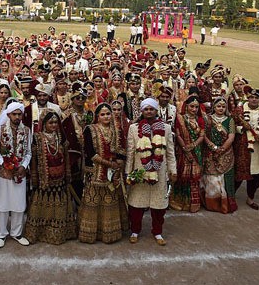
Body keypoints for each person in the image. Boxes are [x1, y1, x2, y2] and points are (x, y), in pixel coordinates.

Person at [124, 97, 176, 245]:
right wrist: (128, 172)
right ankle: (135, 230)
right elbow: (130, 152)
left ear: (156, 110)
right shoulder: (134, 128)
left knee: (159, 206)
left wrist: (173, 171)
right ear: (142, 111)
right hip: (139, 171)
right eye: (146, 109)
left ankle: (157, 232)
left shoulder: (166, 128)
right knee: (136, 204)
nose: (148, 111)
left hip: (160, 171)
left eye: (151, 109)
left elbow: (170, 152)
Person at [78, 103, 129, 244]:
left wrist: (118, 164)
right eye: (103, 114)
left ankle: (109, 232)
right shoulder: (90, 129)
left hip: (113, 172)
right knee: (93, 201)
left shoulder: (117, 130)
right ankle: (91, 232)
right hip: (95, 171)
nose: (106, 116)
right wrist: (109, 164)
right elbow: (90, 153)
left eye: (108, 114)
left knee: (110, 200)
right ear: (97, 117)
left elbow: (122, 150)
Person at [24, 112, 77, 245]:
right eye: (50, 123)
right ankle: (40, 233)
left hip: (60, 178)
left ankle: (60, 234)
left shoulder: (60, 137)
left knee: (59, 203)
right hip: (44, 180)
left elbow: (66, 156)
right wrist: (34, 176)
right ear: (44, 124)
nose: (54, 125)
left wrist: (67, 173)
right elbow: (34, 159)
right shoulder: (37, 137)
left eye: (55, 123)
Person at [0, 102, 32, 248]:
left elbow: (28, 152)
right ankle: (1, 234)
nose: (17, 117)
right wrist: (3, 162)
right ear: (8, 115)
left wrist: (23, 166)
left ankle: (16, 233)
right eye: (14, 114)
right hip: (4, 173)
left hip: (20, 173)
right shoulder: (1, 129)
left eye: (19, 114)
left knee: (19, 204)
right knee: (2, 204)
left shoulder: (27, 130)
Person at [232, 87, 259, 210]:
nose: (254, 100)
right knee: (238, 174)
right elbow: (232, 126)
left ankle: (250, 198)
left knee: (256, 176)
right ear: (248, 98)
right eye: (251, 97)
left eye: (256, 98)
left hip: (257, 148)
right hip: (242, 147)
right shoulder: (239, 110)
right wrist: (242, 129)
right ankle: (231, 197)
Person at [170, 95, 206, 212]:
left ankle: (193, 202)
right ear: (186, 107)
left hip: (196, 150)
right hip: (183, 150)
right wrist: (185, 148)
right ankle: (179, 201)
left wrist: (193, 146)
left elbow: (202, 135)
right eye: (192, 106)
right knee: (182, 175)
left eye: (196, 107)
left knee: (194, 177)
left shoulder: (200, 119)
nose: (194, 109)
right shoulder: (181, 119)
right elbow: (178, 134)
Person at [202, 97, 237, 213]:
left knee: (224, 178)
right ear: (214, 107)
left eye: (223, 106)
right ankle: (212, 204)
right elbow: (204, 135)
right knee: (211, 178)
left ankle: (225, 204)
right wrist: (213, 147)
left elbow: (231, 136)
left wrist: (222, 149)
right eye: (218, 106)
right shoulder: (208, 119)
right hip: (210, 152)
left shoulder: (230, 120)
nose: (221, 108)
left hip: (226, 153)